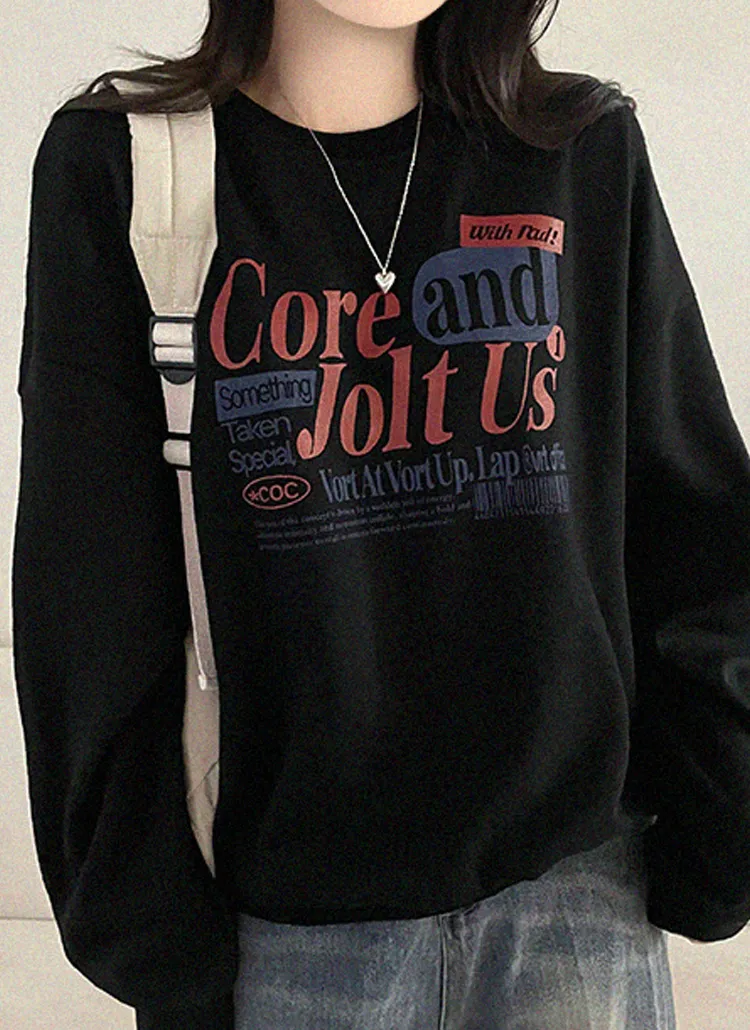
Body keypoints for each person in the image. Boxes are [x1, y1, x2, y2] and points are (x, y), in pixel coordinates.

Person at [12, 1, 750, 1028]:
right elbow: (85, 592)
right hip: (277, 933)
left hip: (577, 902)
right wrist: (154, 941)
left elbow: (691, 519)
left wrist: (723, 828)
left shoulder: (577, 152)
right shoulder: (126, 171)